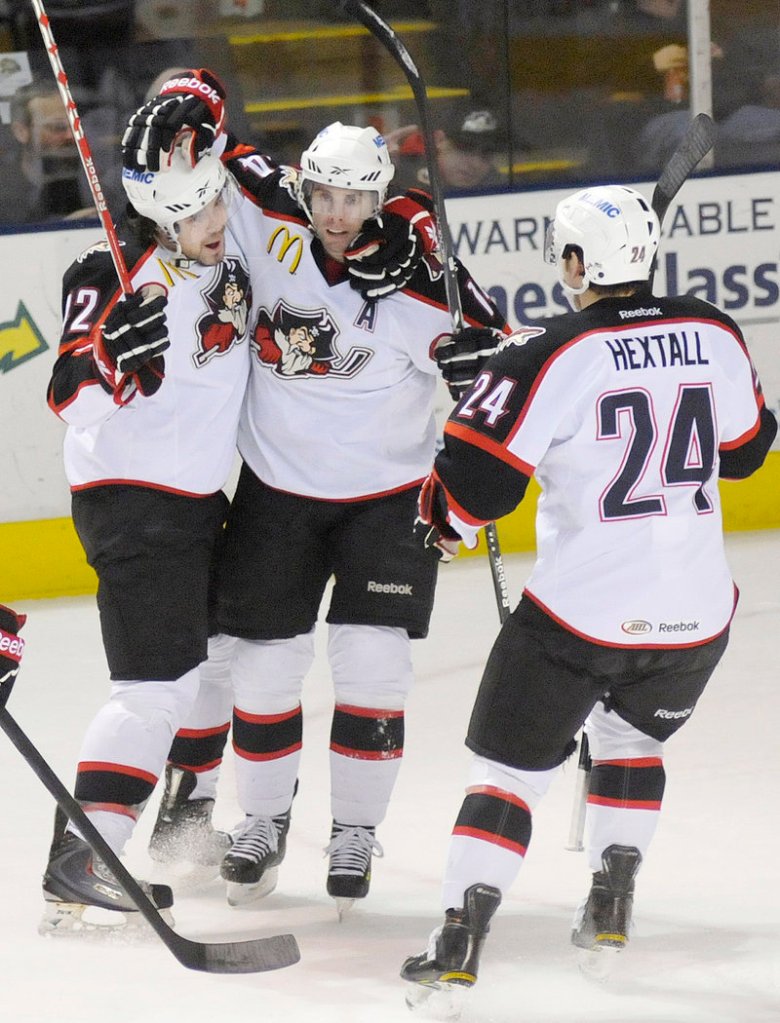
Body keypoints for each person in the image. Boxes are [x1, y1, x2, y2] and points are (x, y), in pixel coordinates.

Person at [122, 71, 509, 914]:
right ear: (306, 185)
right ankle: (262, 820)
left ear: (382, 197)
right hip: (277, 490)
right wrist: (189, 93)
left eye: (356, 199)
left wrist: (477, 358)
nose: (335, 214)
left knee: (374, 666)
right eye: (323, 194)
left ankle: (356, 829)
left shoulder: (419, 276)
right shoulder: (262, 206)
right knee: (261, 670)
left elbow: (504, 360)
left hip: (387, 499)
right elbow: (210, 121)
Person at [400, 184, 778, 1011]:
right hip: (695, 618)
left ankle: (460, 934)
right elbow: (750, 450)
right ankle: (613, 898)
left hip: (581, 617)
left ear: (577, 263)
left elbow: (476, 487)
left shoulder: (546, 355)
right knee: (631, 743)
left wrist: (448, 498)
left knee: (507, 771)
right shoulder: (712, 328)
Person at [41, 142, 252, 929]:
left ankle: (185, 821)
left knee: (219, 661)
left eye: (216, 201)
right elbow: (67, 394)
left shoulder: (221, 264)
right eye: (194, 210)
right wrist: (111, 356)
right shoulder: (110, 269)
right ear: (159, 214)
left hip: (197, 500)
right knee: (154, 688)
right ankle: (81, 856)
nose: (213, 221)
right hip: (132, 503)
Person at [0, 80, 92, 225]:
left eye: (75, 127)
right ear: (21, 132)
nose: (71, 136)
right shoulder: (4, 190)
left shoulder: (94, 178)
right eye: (57, 127)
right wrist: (65, 227)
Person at [387, 106, 504, 194]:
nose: (475, 164)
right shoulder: (402, 177)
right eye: (465, 149)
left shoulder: (497, 186)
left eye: (486, 154)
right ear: (439, 140)